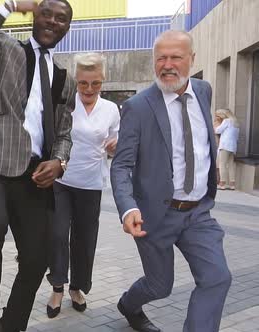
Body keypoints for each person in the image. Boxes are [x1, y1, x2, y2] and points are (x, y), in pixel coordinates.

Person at [0, 1, 75, 330]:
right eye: (47, 13)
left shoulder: (65, 79)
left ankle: (12, 324)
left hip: (33, 175)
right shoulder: (5, 48)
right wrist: (6, 7)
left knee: (38, 260)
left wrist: (59, 161)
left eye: (61, 19)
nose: (53, 21)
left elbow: (64, 131)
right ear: (35, 16)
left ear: (67, 28)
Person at [111, 30, 232, 332]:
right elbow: (121, 165)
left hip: (197, 213)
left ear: (191, 59)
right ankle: (129, 304)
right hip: (154, 216)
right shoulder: (137, 107)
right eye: (161, 58)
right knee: (160, 286)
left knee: (218, 277)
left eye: (176, 57)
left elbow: (198, 140)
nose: (167, 65)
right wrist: (127, 208)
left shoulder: (203, 90)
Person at [46, 52, 119, 318]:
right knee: (57, 235)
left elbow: (115, 143)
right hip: (61, 181)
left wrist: (115, 146)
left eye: (95, 83)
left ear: (103, 81)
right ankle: (57, 287)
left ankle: (77, 287)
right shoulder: (64, 104)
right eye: (84, 83)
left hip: (91, 184)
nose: (89, 89)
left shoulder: (111, 110)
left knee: (84, 239)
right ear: (76, 81)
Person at [214, 108, 239, 190]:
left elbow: (217, 131)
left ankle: (222, 184)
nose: (216, 117)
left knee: (222, 164)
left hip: (225, 145)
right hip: (232, 146)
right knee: (231, 165)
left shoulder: (227, 121)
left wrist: (217, 124)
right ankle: (232, 184)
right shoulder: (236, 122)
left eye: (217, 115)